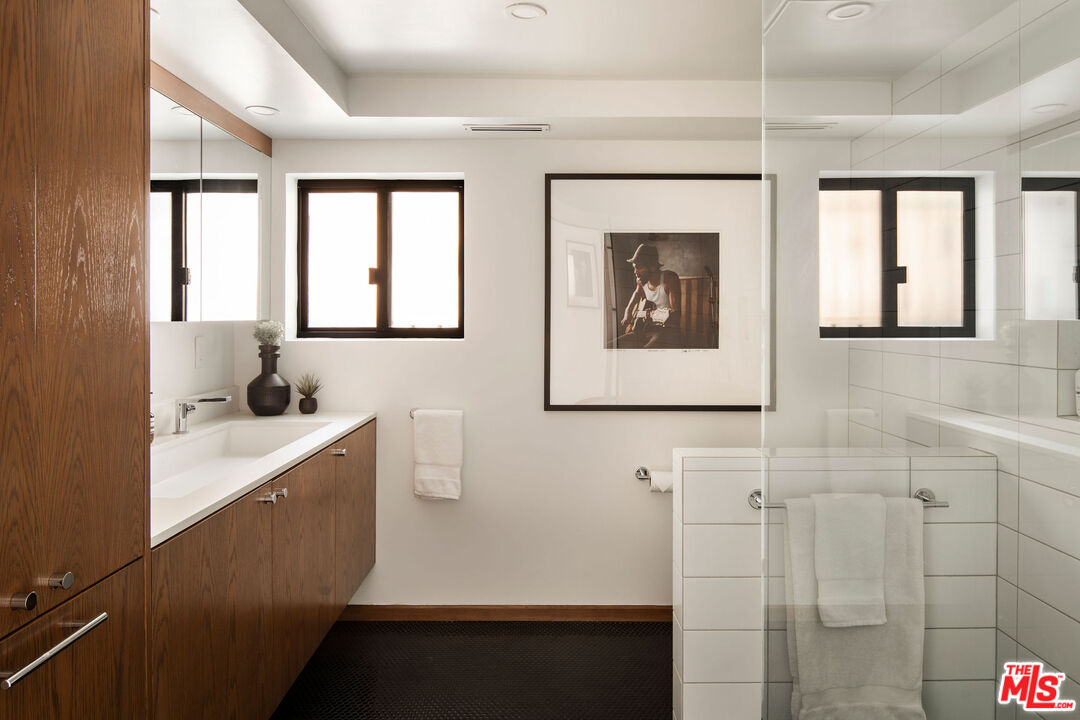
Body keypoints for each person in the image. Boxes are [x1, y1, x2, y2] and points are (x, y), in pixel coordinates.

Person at [616, 243, 682, 348]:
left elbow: (676, 314)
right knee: (613, 345)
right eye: (634, 268)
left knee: (644, 352)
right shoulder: (641, 281)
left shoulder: (670, 279)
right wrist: (628, 311)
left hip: (666, 331)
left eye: (638, 267)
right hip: (645, 329)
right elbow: (636, 294)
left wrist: (652, 316)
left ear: (652, 267)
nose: (635, 272)